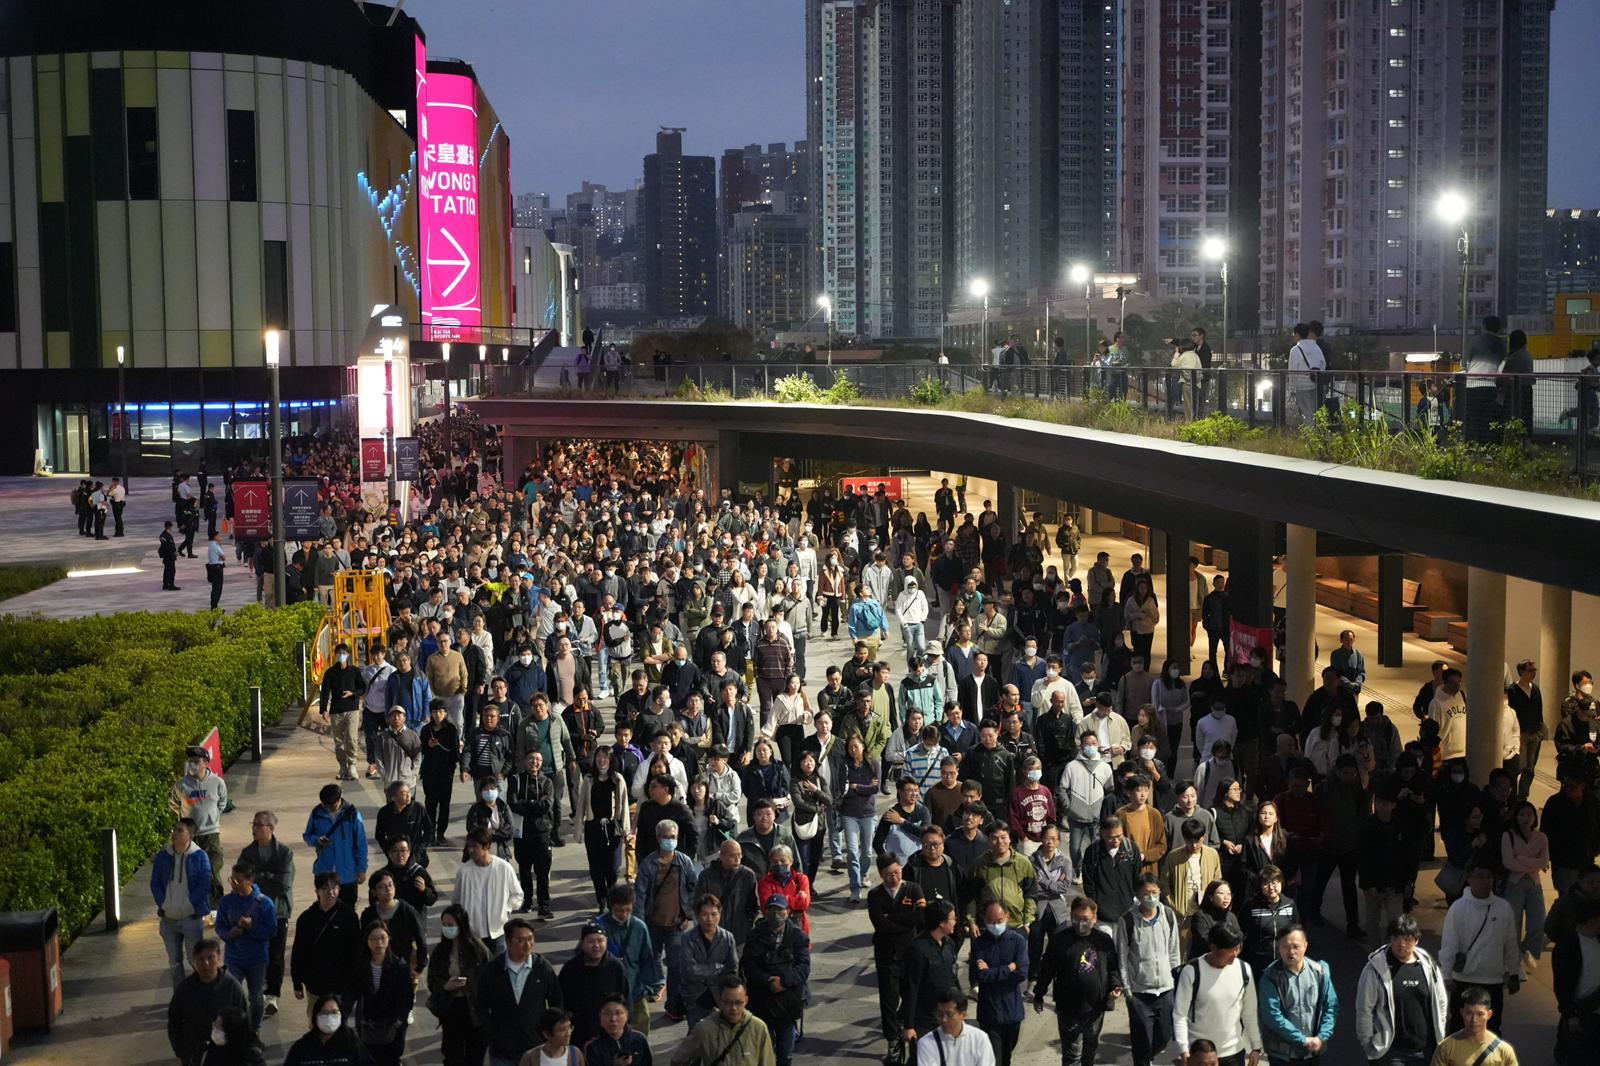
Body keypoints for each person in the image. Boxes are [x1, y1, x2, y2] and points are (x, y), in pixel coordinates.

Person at [1032, 894, 1121, 1066]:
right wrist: (1039, 994)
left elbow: (1112, 968)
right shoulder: (1060, 940)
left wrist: (1115, 986)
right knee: (1072, 1056)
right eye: (1076, 918)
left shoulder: (1103, 941)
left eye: (1085, 919)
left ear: (1094, 918)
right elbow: (1047, 969)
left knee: (1089, 1053)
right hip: (1069, 1009)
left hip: (1095, 1007)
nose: (1081, 923)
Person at [1355, 915, 1451, 1065]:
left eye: (1407, 939)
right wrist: (1368, 1043)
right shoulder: (1375, 969)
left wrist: (1439, 1031)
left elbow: (1441, 1002)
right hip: (1392, 1053)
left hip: (1426, 1050)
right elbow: (1364, 1009)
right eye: (1396, 938)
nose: (1401, 944)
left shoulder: (1428, 965)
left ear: (1416, 940)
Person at [1437, 862, 1521, 1030]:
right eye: (1480, 877)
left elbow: (1511, 943)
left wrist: (1514, 973)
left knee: (1492, 1029)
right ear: (1469, 879)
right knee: (1460, 1028)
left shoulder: (1503, 908)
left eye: (1488, 877)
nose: (1485, 881)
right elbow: (1449, 944)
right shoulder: (1458, 908)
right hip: (1464, 980)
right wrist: (1446, 975)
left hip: (1493, 980)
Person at [1114, 872, 1183, 1066]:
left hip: (1165, 990)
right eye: (1146, 893)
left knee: (1165, 1036)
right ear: (1137, 895)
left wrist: (1175, 983)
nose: (1151, 897)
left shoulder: (1168, 915)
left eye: (1154, 892)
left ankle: (1150, 1059)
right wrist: (1128, 991)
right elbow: (1122, 957)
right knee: (1141, 1041)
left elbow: (1174, 951)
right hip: (1139, 993)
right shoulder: (1127, 921)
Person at [475, 919, 564, 1066]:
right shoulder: (493, 970)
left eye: (530, 939)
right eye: (520, 940)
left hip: (535, 1048)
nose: (527, 944)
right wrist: (492, 1033)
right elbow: (481, 1006)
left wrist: (550, 1032)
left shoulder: (542, 968)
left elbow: (557, 1002)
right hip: (502, 1052)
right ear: (508, 942)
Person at [1172, 924, 1263, 1066]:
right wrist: (1184, 1049)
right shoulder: (1192, 972)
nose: (1235, 954)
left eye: (1237, 949)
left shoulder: (1244, 970)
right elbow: (1180, 1015)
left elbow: (1249, 1012)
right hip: (1200, 1055)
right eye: (1229, 950)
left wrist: (1256, 1046)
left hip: (1233, 1052)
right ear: (1213, 947)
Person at [869, 855, 927, 1066]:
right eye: (888, 874)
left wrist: (892, 918)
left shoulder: (913, 889)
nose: (894, 877)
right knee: (888, 1000)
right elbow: (880, 925)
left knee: (912, 995)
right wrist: (904, 922)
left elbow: (920, 918)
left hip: (910, 954)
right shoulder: (874, 895)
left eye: (897, 872)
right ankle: (892, 1041)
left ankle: (913, 1034)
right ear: (881, 875)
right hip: (886, 956)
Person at [741, 893, 811, 1066]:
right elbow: (748, 965)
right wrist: (767, 980)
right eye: (771, 910)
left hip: (787, 1003)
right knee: (761, 1055)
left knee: (785, 1056)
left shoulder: (798, 936)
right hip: (761, 1001)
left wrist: (784, 982)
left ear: (787, 911)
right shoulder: (755, 935)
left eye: (779, 910)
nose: (775, 914)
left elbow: (803, 967)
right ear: (765, 912)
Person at [1260, 926, 1337, 1066]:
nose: (1291, 952)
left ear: (1305, 946)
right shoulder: (1270, 976)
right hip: (1283, 1055)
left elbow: (1330, 1006)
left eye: (1296, 946)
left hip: (1314, 1052)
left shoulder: (1320, 972)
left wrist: (1321, 1037)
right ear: (1278, 947)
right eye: (1285, 946)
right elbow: (1272, 1015)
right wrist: (1302, 1039)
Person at [427, 903, 493, 1066]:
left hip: (474, 1010)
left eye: (451, 925)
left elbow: (491, 976)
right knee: (452, 1056)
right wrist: (445, 986)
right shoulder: (440, 952)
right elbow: (432, 980)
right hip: (451, 1008)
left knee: (475, 1056)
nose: (447, 928)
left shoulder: (477, 949)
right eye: (444, 925)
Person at [215, 862, 279, 1030]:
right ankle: (235, 1028)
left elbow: (271, 931)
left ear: (250, 881)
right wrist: (229, 934)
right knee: (231, 995)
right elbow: (220, 926)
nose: (233, 884)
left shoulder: (265, 903)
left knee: (256, 997)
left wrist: (252, 927)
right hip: (234, 958)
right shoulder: (226, 902)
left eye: (238, 880)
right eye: (231, 880)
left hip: (257, 959)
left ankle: (254, 1029)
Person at [595, 884, 662, 1037]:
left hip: (636, 989)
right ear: (611, 906)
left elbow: (647, 958)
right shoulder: (599, 926)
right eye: (619, 910)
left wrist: (650, 986)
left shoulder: (640, 927)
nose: (624, 915)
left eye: (628, 910)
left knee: (641, 1026)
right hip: (607, 991)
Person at [343, 922, 414, 1065]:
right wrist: (341, 1014)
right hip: (368, 1025)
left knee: (391, 1059)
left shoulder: (399, 966)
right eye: (373, 939)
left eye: (382, 937)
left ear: (389, 939)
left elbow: (406, 996)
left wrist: (400, 1019)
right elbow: (350, 993)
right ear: (367, 942)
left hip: (392, 1026)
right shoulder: (360, 966)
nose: (379, 943)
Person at [168, 939, 248, 1066]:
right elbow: (174, 1021)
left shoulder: (232, 987)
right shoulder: (184, 989)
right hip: (193, 1056)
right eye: (200, 959)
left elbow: (244, 1023)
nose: (206, 963)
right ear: (194, 960)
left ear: (219, 959)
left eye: (210, 958)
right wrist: (180, 1050)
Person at [153, 818, 213, 986]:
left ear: (190, 836)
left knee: (195, 960)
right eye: (175, 829)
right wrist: (163, 903)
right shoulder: (163, 856)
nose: (175, 833)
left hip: (191, 918)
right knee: (174, 963)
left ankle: (202, 994)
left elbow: (204, 883)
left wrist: (189, 903)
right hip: (168, 918)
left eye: (180, 830)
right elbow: (155, 882)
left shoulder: (200, 856)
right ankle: (181, 999)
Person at [969, 899, 1029, 1066]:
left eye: (999, 921)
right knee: (994, 1059)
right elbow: (979, 976)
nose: (995, 925)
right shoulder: (979, 943)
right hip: (989, 1012)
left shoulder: (1018, 941)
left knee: (1006, 1056)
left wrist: (991, 972)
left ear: (1007, 917)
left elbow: (1021, 973)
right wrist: (1008, 968)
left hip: (1012, 1011)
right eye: (991, 921)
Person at [668, 975, 777, 1066]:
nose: (733, 1008)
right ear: (720, 1001)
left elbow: (768, 1063)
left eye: (738, 1003)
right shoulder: (704, 1029)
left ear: (746, 1001)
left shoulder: (758, 1028)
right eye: (727, 1002)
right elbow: (678, 1060)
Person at [666, 893, 739, 1030]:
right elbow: (688, 969)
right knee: (696, 1038)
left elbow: (732, 968)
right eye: (705, 915)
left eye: (714, 914)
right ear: (697, 916)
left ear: (720, 915)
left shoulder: (727, 938)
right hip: (695, 997)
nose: (709, 919)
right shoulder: (687, 938)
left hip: (720, 997)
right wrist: (717, 968)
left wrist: (705, 970)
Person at [902, 900, 962, 1063]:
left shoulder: (949, 944)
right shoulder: (917, 949)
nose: (955, 921)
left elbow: (953, 977)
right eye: (952, 918)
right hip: (925, 1020)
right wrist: (908, 1026)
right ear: (941, 923)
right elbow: (910, 989)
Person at [170, 744, 228, 908]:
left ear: (206, 763)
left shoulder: (217, 783)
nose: (192, 764)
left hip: (211, 834)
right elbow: (174, 804)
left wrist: (212, 818)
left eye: (196, 761)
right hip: (190, 836)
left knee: (212, 868)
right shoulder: (181, 785)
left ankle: (216, 905)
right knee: (192, 871)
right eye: (190, 761)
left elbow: (222, 803)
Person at [560, 922, 630, 1050]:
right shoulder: (570, 969)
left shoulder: (616, 967)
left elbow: (625, 1000)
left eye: (600, 941)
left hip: (609, 1034)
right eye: (591, 941)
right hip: (578, 1035)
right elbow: (562, 1003)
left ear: (606, 941)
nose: (596, 946)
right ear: (582, 943)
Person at [455, 826, 525, 953]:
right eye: (469, 846)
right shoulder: (464, 871)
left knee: (497, 969)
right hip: (472, 934)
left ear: (486, 846)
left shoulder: (503, 868)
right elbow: (457, 901)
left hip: (497, 932)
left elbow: (517, 895)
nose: (470, 850)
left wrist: (507, 909)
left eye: (474, 846)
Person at [578, 745, 631, 910]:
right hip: (593, 828)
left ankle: (611, 898)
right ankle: (602, 902)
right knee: (596, 869)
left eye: (605, 757)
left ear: (610, 760)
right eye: (598, 757)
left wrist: (626, 830)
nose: (601, 760)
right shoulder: (588, 779)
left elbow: (624, 805)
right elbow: (581, 805)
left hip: (612, 827)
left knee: (613, 868)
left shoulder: (617, 779)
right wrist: (578, 829)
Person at [508, 749, 559, 920]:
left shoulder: (547, 782)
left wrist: (528, 804)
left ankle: (544, 905)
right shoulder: (516, 780)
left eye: (538, 759)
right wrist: (533, 804)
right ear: (524, 761)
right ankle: (527, 901)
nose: (534, 762)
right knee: (524, 869)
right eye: (530, 758)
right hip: (522, 832)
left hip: (542, 831)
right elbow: (513, 803)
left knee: (543, 871)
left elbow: (546, 805)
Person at [302, 783, 368, 906]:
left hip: (347, 874)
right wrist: (317, 840)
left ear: (339, 800)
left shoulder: (352, 815)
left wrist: (362, 869)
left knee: (348, 910)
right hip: (324, 871)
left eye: (331, 806)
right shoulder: (317, 813)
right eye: (325, 806)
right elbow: (307, 836)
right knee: (324, 908)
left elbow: (361, 844)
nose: (328, 809)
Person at [1428, 987, 1520, 1066]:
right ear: (1462, 1013)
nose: (1474, 1019)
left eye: (1480, 1014)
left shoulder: (1504, 1051)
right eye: (1469, 1013)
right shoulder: (1446, 1048)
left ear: (1489, 1014)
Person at [697, 840, 759, 947]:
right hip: (713, 934)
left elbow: (754, 905)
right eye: (733, 856)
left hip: (740, 935)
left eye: (740, 855)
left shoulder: (748, 875)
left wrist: (747, 924)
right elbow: (698, 903)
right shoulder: (706, 876)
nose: (737, 860)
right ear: (721, 856)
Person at [283, 994, 367, 1066]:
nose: (329, 1017)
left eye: (334, 1012)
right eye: (324, 1013)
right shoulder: (301, 1048)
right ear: (315, 1017)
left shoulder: (353, 1044)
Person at [916, 992, 997, 1066]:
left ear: (963, 1015)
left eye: (949, 1014)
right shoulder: (926, 1042)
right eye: (940, 1014)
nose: (944, 1019)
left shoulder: (980, 1038)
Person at [584, 994, 653, 1066]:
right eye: (607, 1014)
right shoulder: (592, 1047)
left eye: (618, 1013)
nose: (613, 1019)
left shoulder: (639, 1039)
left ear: (626, 1015)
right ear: (600, 1016)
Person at [201, 1006, 267, 1066]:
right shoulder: (212, 1050)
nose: (214, 1027)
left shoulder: (252, 1058)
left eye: (218, 1027)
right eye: (215, 1024)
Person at [206, 529, 227, 609]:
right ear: (215, 537)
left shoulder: (211, 545)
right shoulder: (215, 545)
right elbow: (223, 557)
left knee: (215, 588)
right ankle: (214, 607)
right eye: (218, 535)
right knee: (217, 589)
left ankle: (214, 606)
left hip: (212, 567)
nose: (220, 537)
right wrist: (221, 558)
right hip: (217, 568)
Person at [161, 519, 181, 590]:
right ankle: (170, 584)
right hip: (168, 556)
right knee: (171, 570)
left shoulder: (167, 535)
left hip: (170, 555)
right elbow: (167, 546)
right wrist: (174, 552)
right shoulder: (164, 536)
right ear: (168, 527)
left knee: (167, 570)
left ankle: (166, 584)